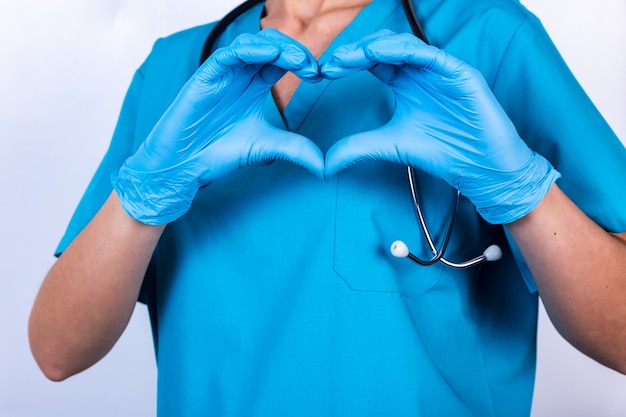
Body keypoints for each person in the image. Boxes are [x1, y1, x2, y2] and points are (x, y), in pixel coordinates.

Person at [29, 0, 626, 415]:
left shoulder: (488, 40)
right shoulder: (178, 70)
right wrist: (144, 198)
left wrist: (523, 192)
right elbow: (55, 352)